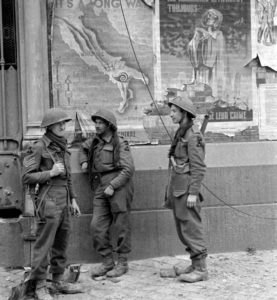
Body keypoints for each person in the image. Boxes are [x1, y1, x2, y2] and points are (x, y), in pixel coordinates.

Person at [22, 108, 81, 300]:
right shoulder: (39, 147)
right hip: (48, 201)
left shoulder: (63, 146)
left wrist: (73, 199)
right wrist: (51, 173)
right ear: (49, 127)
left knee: (62, 242)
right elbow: (26, 176)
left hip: (64, 200)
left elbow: (69, 177)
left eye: (64, 122)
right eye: (58, 123)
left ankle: (57, 281)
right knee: (44, 244)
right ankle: (39, 285)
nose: (63, 126)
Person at [79, 109, 135, 278]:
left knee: (121, 225)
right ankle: (107, 261)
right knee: (96, 225)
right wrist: (83, 162)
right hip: (100, 185)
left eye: (101, 123)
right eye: (95, 122)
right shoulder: (95, 142)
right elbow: (83, 148)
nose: (97, 126)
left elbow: (128, 169)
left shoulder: (120, 143)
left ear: (109, 125)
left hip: (118, 185)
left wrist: (113, 185)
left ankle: (122, 262)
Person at [165, 95, 208, 283]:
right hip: (177, 189)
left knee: (191, 228)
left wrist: (193, 193)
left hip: (186, 190)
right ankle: (194, 263)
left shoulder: (193, 135)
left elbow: (198, 167)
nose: (171, 114)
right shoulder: (181, 132)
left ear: (184, 113)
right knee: (183, 228)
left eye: (174, 111)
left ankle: (201, 269)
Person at [188, 8, 226, 100]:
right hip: (200, 66)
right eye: (207, 16)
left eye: (211, 17)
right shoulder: (199, 32)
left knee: (209, 89)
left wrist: (208, 37)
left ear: (216, 20)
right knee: (199, 89)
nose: (208, 18)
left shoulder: (218, 34)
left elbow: (219, 51)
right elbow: (191, 46)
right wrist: (197, 39)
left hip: (211, 67)